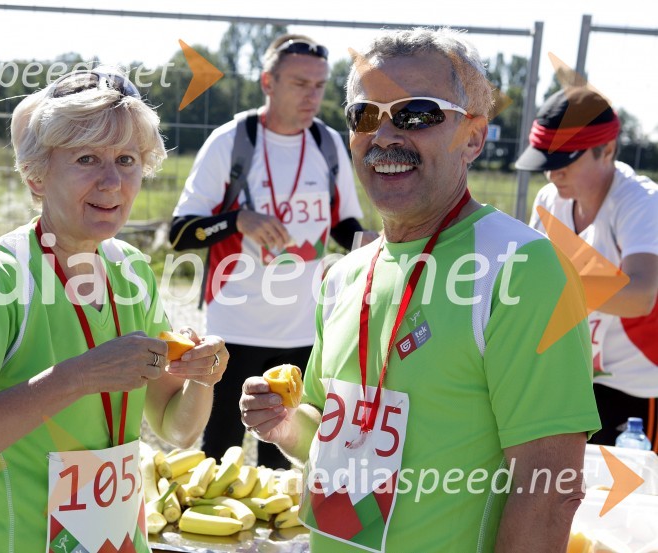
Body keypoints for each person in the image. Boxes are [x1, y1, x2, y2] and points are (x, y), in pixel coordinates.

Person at [240, 28, 601, 552]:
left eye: (416, 114)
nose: (384, 136)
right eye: (365, 115)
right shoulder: (345, 274)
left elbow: (548, 490)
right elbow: (332, 435)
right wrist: (285, 423)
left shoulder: (521, 268)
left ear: (473, 137)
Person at [0, 67, 228, 553]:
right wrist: (75, 377)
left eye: (128, 159)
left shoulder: (133, 270)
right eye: (87, 158)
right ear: (37, 175)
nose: (112, 181)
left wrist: (203, 377)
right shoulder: (0, 276)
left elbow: (176, 429)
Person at [169, 34, 368, 468]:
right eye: (299, 83)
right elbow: (181, 233)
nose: (312, 96)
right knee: (221, 458)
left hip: (302, 333)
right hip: (235, 327)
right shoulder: (231, 141)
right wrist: (238, 219)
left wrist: (375, 244)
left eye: (319, 85)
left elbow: (343, 226)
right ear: (268, 82)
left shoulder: (329, 144)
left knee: (286, 461)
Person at [517, 86, 658, 450]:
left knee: (633, 502)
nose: (552, 175)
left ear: (607, 150)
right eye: (547, 163)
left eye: (565, 162)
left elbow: (641, 296)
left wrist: (548, 280)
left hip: (638, 386)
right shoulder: (551, 199)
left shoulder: (641, 203)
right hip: (575, 379)